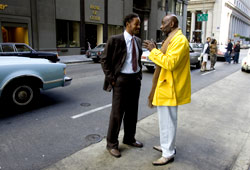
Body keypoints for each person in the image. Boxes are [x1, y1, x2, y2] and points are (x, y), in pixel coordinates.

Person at [143, 14, 191, 166]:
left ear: (173, 23)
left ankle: (168, 153)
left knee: (168, 122)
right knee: (165, 121)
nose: (161, 26)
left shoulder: (179, 40)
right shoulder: (173, 38)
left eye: (164, 23)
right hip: (166, 86)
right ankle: (166, 147)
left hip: (171, 88)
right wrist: (156, 50)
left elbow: (170, 63)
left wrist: (153, 51)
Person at [100, 13, 143, 158]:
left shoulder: (137, 40)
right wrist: (112, 79)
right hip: (121, 80)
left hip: (135, 80)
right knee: (117, 114)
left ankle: (129, 139)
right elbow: (104, 60)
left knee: (132, 112)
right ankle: (111, 144)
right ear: (128, 23)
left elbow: (137, 59)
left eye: (139, 24)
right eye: (136, 24)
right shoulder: (115, 40)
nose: (138, 26)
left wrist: (139, 75)